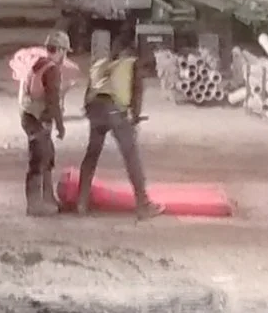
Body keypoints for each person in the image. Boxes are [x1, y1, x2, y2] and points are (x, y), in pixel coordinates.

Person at [76, 28, 164, 220]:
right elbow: (137, 93)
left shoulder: (103, 64)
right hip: (115, 110)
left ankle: (81, 202)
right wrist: (135, 117)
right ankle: (143, 204)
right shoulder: (132, 64)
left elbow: (89, 90)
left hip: (95, 109)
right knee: (131, 156)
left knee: (91, 155)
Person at [9, 31, 76, 216]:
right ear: (61, 50)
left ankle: (48, 199)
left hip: (30, 116)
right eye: (65, 52)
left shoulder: (38, 64)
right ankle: (35, 204)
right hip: (36, 119)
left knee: (46, 156)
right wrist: (61, 126)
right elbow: (53, 101)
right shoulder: (52, 69)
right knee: (39, 159)